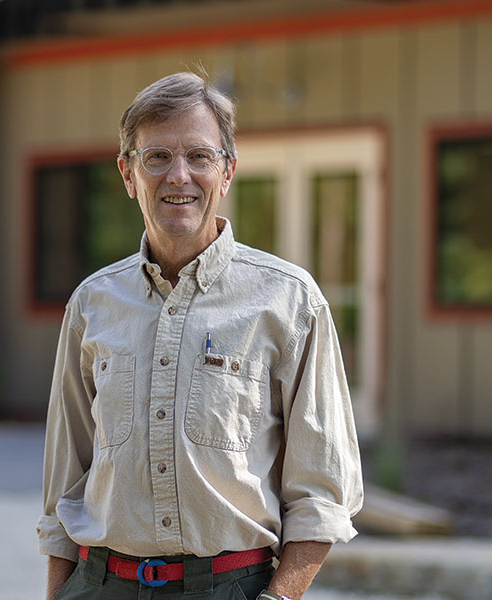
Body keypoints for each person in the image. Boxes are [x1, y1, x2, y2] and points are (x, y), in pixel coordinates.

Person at [38, 71, 363, 600]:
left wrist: (280, 598)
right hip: (101, 584)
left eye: (200, 156)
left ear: (227, 170)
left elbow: (323, 491)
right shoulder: (91, 305)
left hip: (234, 587)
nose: (179, 176)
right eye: (157, 157)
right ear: (128, 173)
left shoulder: (290, 301)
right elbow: (63, 488)